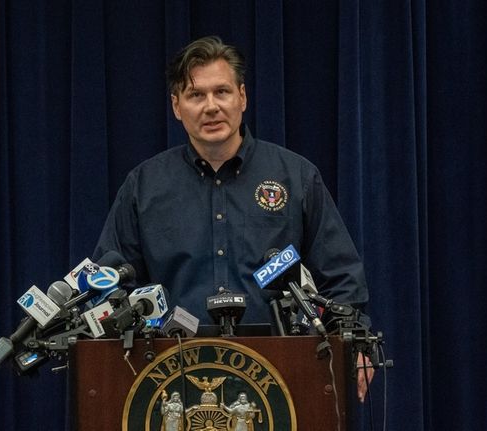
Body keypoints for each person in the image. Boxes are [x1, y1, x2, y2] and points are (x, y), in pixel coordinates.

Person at [93, 35, 374, 401]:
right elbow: (109, 284)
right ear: (177, 106)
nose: (211, 107)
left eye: (221, 92)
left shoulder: (296, 177)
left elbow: (342, 279)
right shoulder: (144, 187)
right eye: (196, 96)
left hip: (282, 375)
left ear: (242, 97)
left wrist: (353, 346)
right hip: (172, 378)